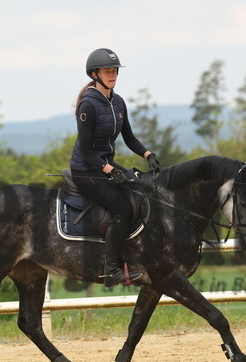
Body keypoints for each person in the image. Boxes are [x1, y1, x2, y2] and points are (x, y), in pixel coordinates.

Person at [69, 48, 161, 287]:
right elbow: (88, 151)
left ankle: (133, 256)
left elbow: (129, 137)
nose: (112, 75)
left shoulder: (117, 101)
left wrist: (147, 154)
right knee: (120, 206)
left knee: (140, 192)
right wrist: (109, 170)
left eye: (114, 71)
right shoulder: (87, 105)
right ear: (94, 74)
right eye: (107, 71)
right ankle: (111, 270)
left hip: (105, 165)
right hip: (86, 169)